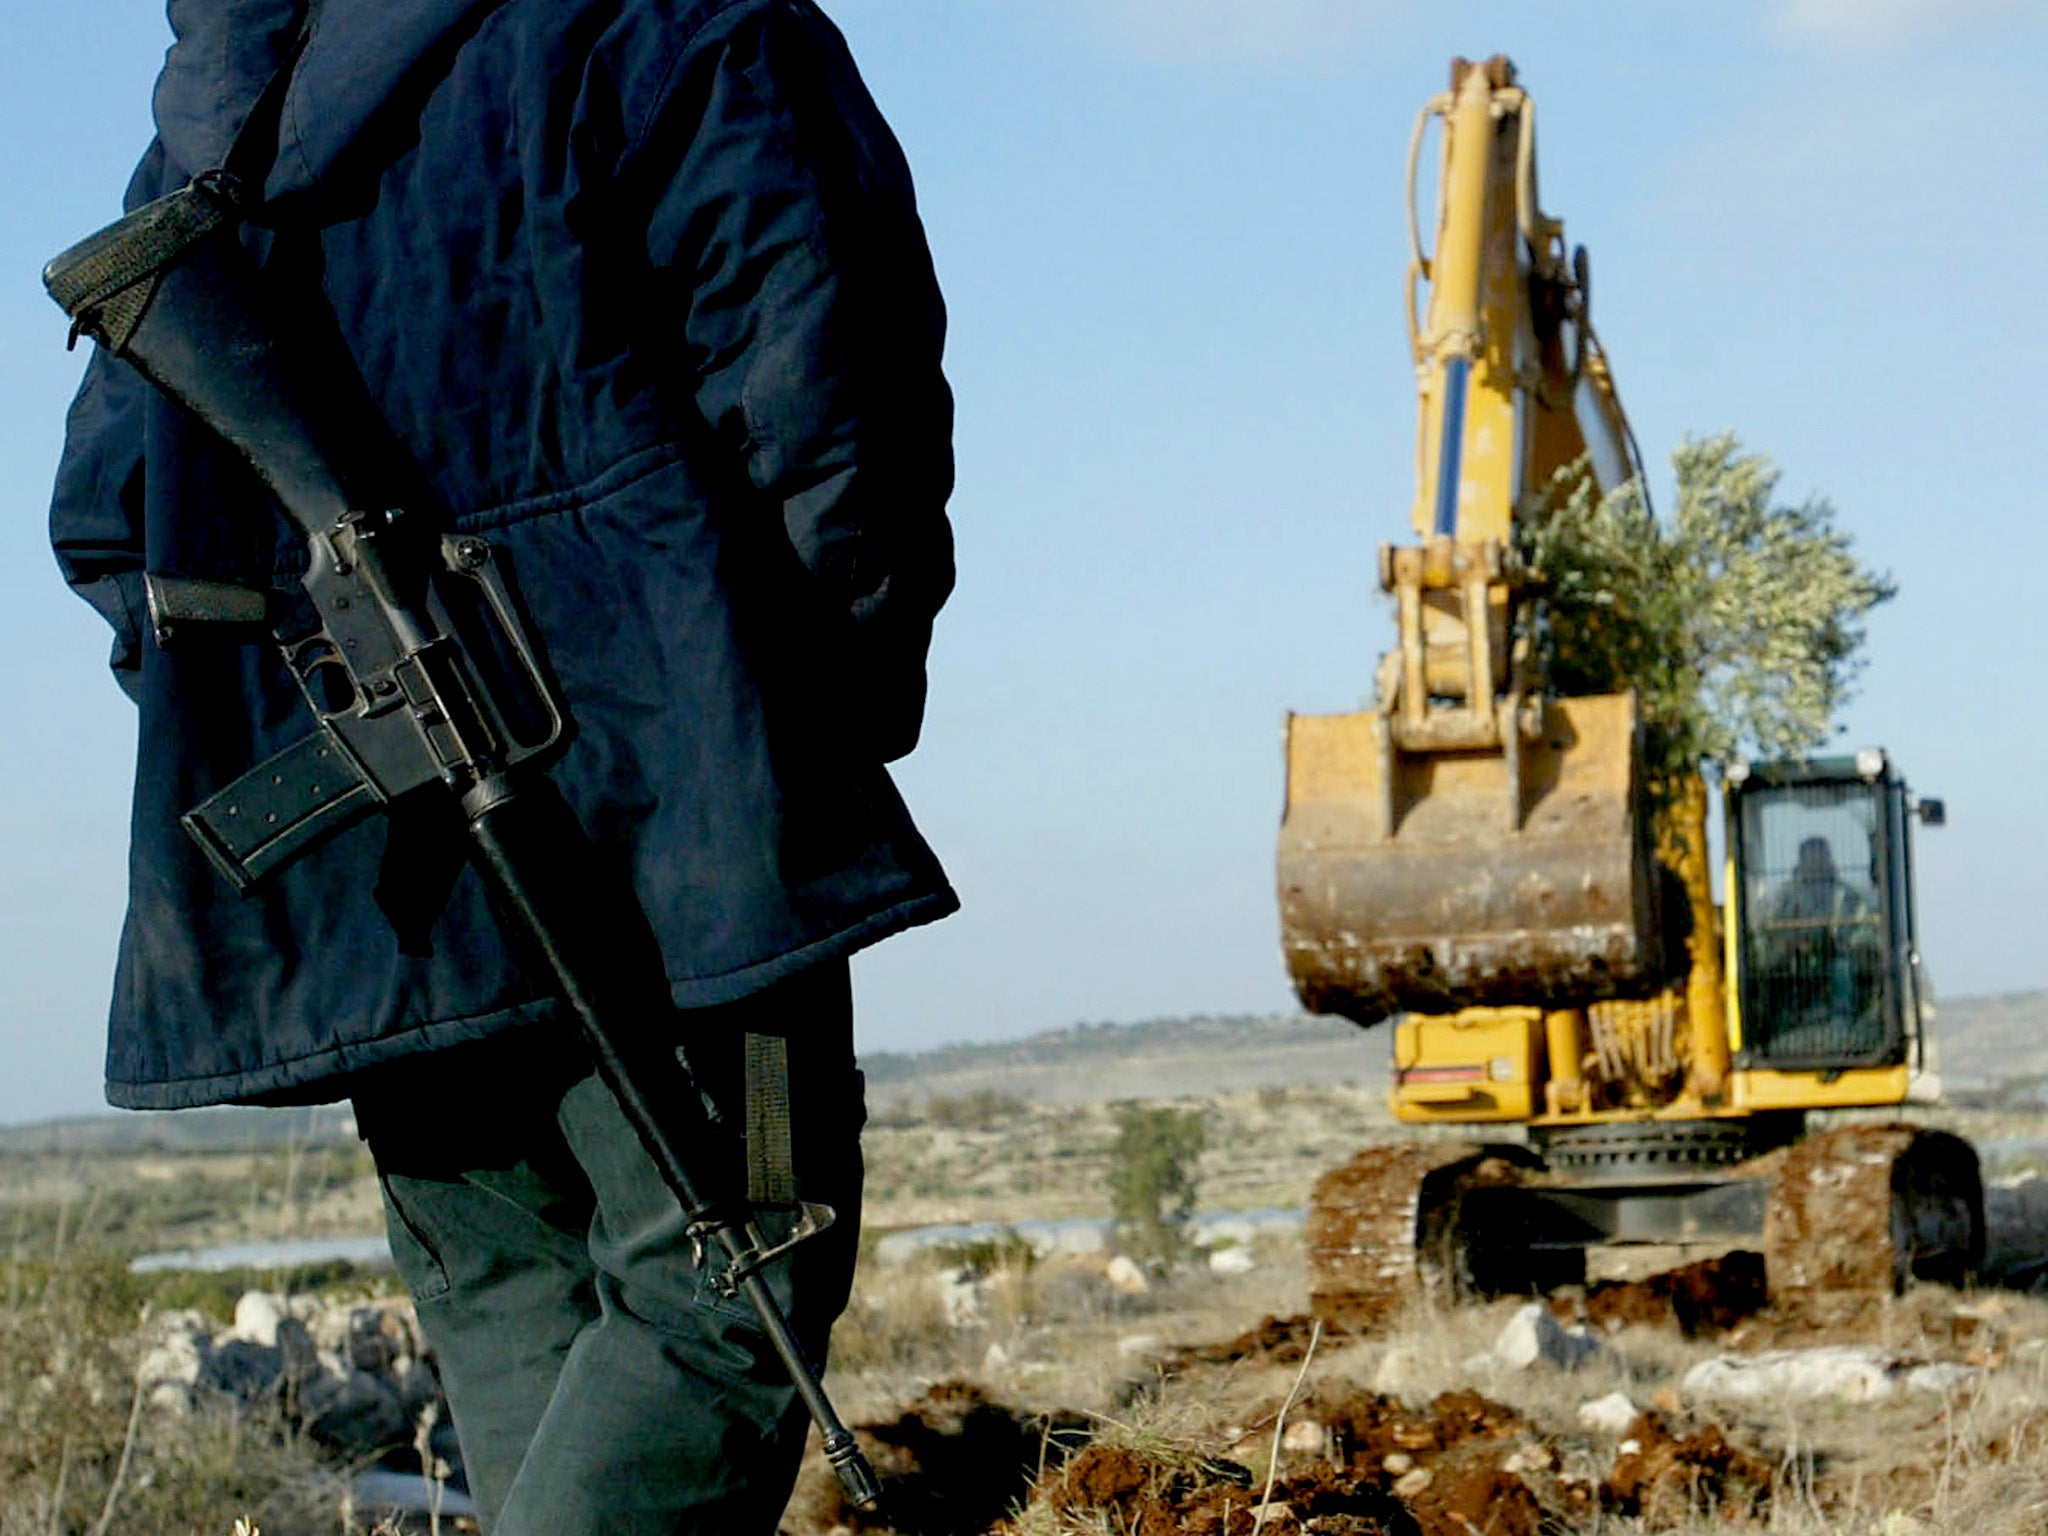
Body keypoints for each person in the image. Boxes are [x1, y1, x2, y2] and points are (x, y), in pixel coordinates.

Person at [48, 1, 956, 1530]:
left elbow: (109, 519)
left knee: (510, 1289)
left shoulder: (214, 122)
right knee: (732, 1285)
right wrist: (788, 729)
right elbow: (833, 397)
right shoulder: (679, 24)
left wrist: (315, 713)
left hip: (381, 884)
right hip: (685, 841)